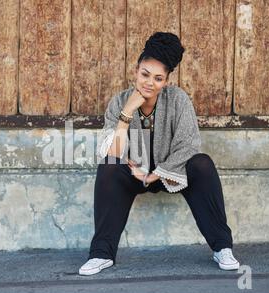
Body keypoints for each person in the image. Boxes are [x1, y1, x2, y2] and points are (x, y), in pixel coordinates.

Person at [79, 32, 240, 276]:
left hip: (169, 173)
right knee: (109, 165)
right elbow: (110, 152)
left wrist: (156, 174)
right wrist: (127, 112)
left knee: (202, 163)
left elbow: (189, 144)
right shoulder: (119, 101)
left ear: (165, 81)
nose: (149, 83)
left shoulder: (178, 100)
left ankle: (222, 248)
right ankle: (102, 254)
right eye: (145, 74)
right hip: (133, 172)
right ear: (136, 70)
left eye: (158, 78)